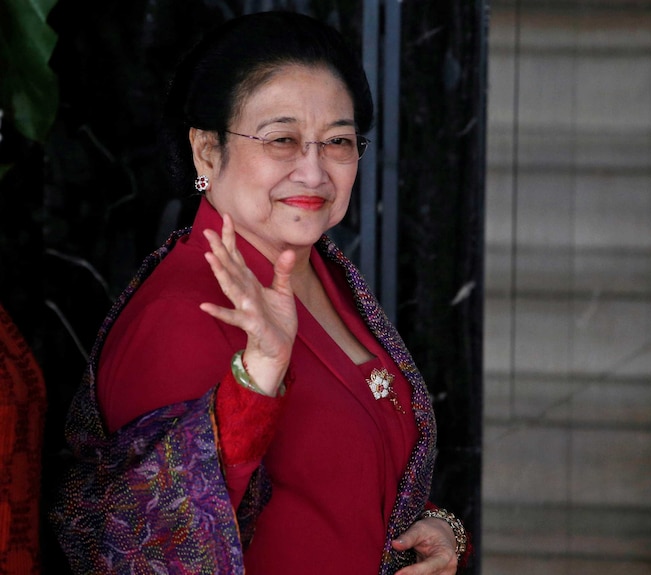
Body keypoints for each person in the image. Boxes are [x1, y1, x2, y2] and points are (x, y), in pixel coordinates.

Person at [51, 11, 470, 575]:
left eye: (338, 142)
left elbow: (336, 476)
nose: (315, 172)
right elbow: (154, 544)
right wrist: (259, 376)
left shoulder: (320, 270)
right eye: (282, 140)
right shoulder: (180, 315)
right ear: (206, 151)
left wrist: (439, 526)